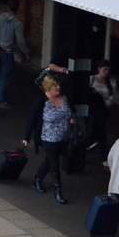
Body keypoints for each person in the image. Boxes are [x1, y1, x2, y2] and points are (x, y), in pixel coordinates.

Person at [22, 74, 75, 204]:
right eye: (55, 86)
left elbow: (70, 111)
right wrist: (27, 137)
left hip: (63, 138)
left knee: (49, 161)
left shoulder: (65, 97)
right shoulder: (41, 102)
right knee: (55, 165)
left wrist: (72, 119)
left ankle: (37, 179)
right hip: (48, 138)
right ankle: (57, 190)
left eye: (58, 85)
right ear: (48, 88)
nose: (58, 87)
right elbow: (32, 120)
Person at [0, 0, 30, 110]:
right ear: (17, 9)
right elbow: (20, 40)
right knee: (5, 76)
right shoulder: (17, 23)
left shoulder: (0, 17)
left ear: (8, 7)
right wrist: (26, 52)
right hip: (8, 51)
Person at [87, 59, 116, 159]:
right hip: (92, 109)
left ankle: (92, 143)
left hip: (103, 110)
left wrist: (102, 102)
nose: (106, 72)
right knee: (98, 130)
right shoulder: (92, 79)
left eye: (108, 70)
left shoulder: (111, 82)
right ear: (99, 69)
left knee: (98, 129)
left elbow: (111, 99)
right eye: (104, 70)